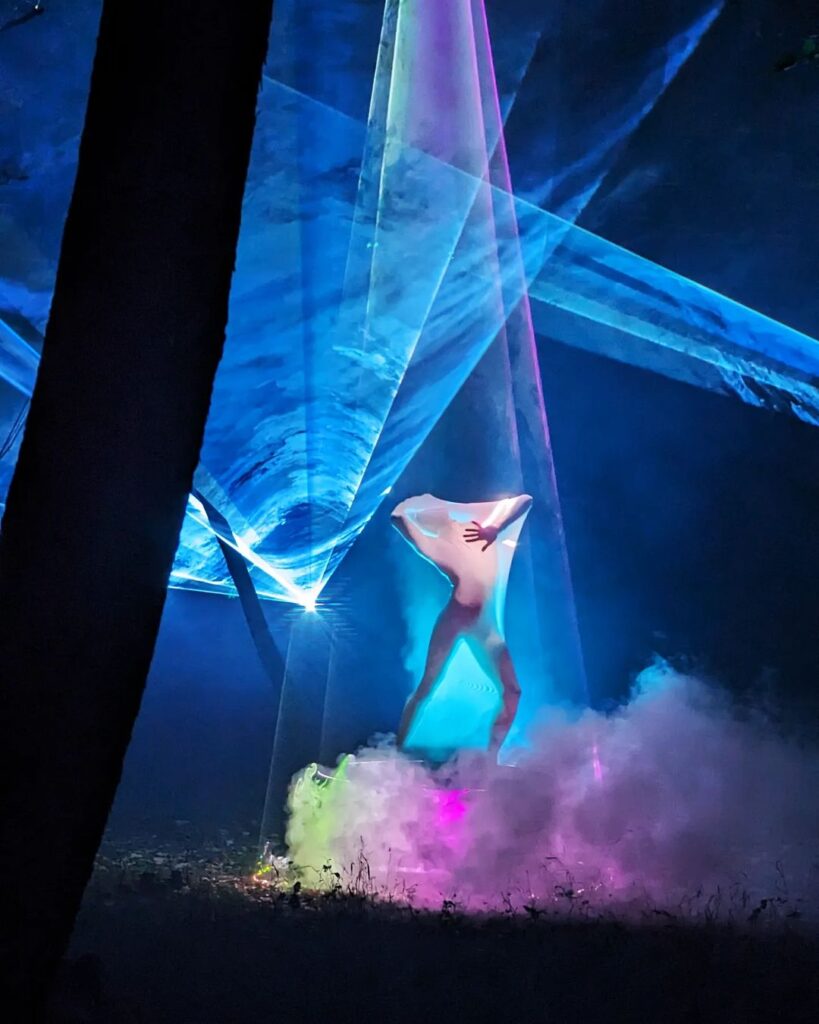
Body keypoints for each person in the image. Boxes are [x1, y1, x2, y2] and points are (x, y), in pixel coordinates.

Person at [391, 492, 533, 756]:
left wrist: (493, 527)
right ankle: (397, 753)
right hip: (457, 618)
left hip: (486, 627)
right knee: (428, 685)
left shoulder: (484, 527)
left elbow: (525, 500)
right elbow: (397, 518)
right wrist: (426, 511)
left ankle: (491, 758)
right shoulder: (439, 546)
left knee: (512, 691)